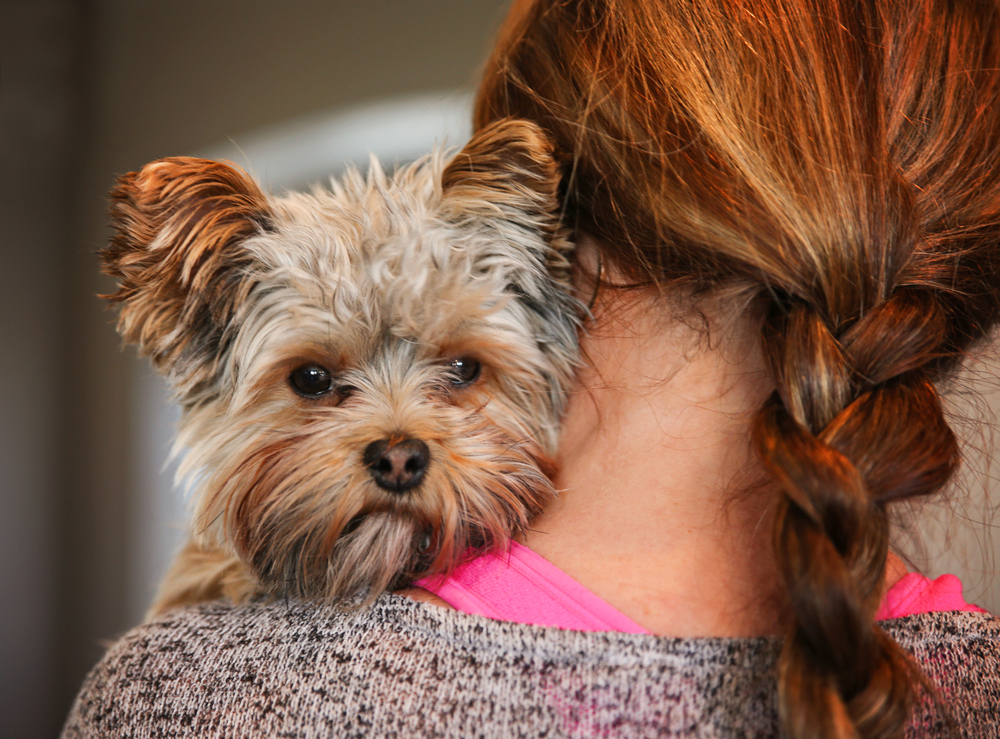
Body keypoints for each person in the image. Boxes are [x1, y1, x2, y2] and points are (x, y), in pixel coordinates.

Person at [62, 1, 1000, 737]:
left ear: (561, 233)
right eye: (316, 383)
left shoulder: (204, 696)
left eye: (459, 370)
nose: (397, 443)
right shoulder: (980, 685)